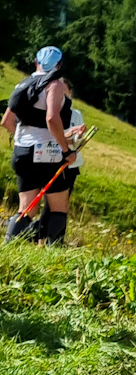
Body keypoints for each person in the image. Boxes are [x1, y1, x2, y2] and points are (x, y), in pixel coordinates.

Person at [3, 47, 85, 245]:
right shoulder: (54, 85)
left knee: (27, 208)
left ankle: (8, 247)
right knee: (58, 207)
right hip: (49, 154)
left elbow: (6, 121)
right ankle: (54, 252)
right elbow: (51, 118)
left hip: (22, 151)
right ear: (59, 65)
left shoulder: (22, 85)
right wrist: (66, 150)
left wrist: (26, 141)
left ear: (35, 62)